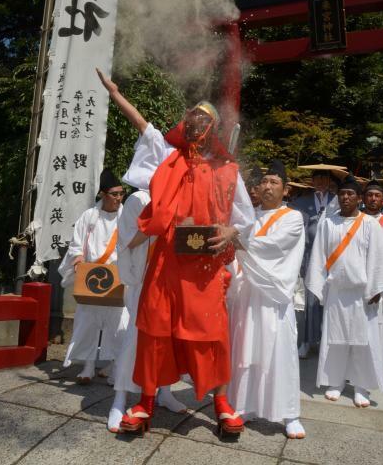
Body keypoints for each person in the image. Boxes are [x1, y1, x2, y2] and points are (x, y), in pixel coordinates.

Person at [97, 68, 255, 437]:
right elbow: (143, 125)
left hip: (204, 267)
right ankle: (144, 403)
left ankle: (221, 404)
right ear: (185, 124)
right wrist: (116, 93)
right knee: (154, 331)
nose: (197, 122)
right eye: (193, 117)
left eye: (205, 119)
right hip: (166, 262)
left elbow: (246, 220)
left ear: (213, 128)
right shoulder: (168, 156)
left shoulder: (227, 170)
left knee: (212, 334)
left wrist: (230, 230)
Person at [228, 160, 306, 439]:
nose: (269, 187)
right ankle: (244, 405)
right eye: (265, 182)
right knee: (246, 350)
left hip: (274, 297)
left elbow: (275, 246)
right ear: (257, 189)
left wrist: (238, 241)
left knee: (279, 352)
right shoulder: (247, 219)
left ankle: (289, 414)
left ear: (285, 190)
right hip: (248, 294)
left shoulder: (292, 218)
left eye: (275, 183)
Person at [305, 174, 383, 407]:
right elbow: (319, 256)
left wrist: (377, 288)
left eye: (350, 194)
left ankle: (361, 386)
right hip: (336, 291)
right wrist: (318, 284)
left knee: (363, 341)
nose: (345, 197)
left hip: (363, 294)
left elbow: (379, 258)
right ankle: (335, 381)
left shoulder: (370, 224)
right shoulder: (328, 223)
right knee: (336, 338)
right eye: (342, 193)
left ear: (358, 199)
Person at [107, 189, 187, 433]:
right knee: (136, 338)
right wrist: (157, 223)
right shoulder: (138, 199)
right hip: (145, 280)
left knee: (167, 339)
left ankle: (164, 392)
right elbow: (127, 240)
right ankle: (119, 400)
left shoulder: (182, 195)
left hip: (173, 278)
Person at [59, 169, 128, 383]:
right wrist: (78, 257)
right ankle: (87, 367)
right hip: (92, 277)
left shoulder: (127, 217)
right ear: (102, 194)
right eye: (114, 194)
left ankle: (116, 368)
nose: (118, 198)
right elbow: (76, 243)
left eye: (121, 194)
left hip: (117, 277)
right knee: (88, 321)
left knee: (119, 324)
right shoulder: (89, 216)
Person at [292, 169, 336, 358]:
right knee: (311, 300)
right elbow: (297, 233)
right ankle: (307, 341)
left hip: (334, 257)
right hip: (311, 257)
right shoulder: (302, 203)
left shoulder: (337, 200)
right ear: (312, 180)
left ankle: (330, 343)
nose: (320, 181)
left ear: (328, 180)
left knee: (332, 301)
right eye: (316, 178)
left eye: (324, 178)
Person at [363, 179, 383, 373]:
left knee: (382, 325)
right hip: (359, 283)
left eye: (377, 196)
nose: (373, 199)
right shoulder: (355, 222)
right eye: (369, 195)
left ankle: (377, 365)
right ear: (363, 199)